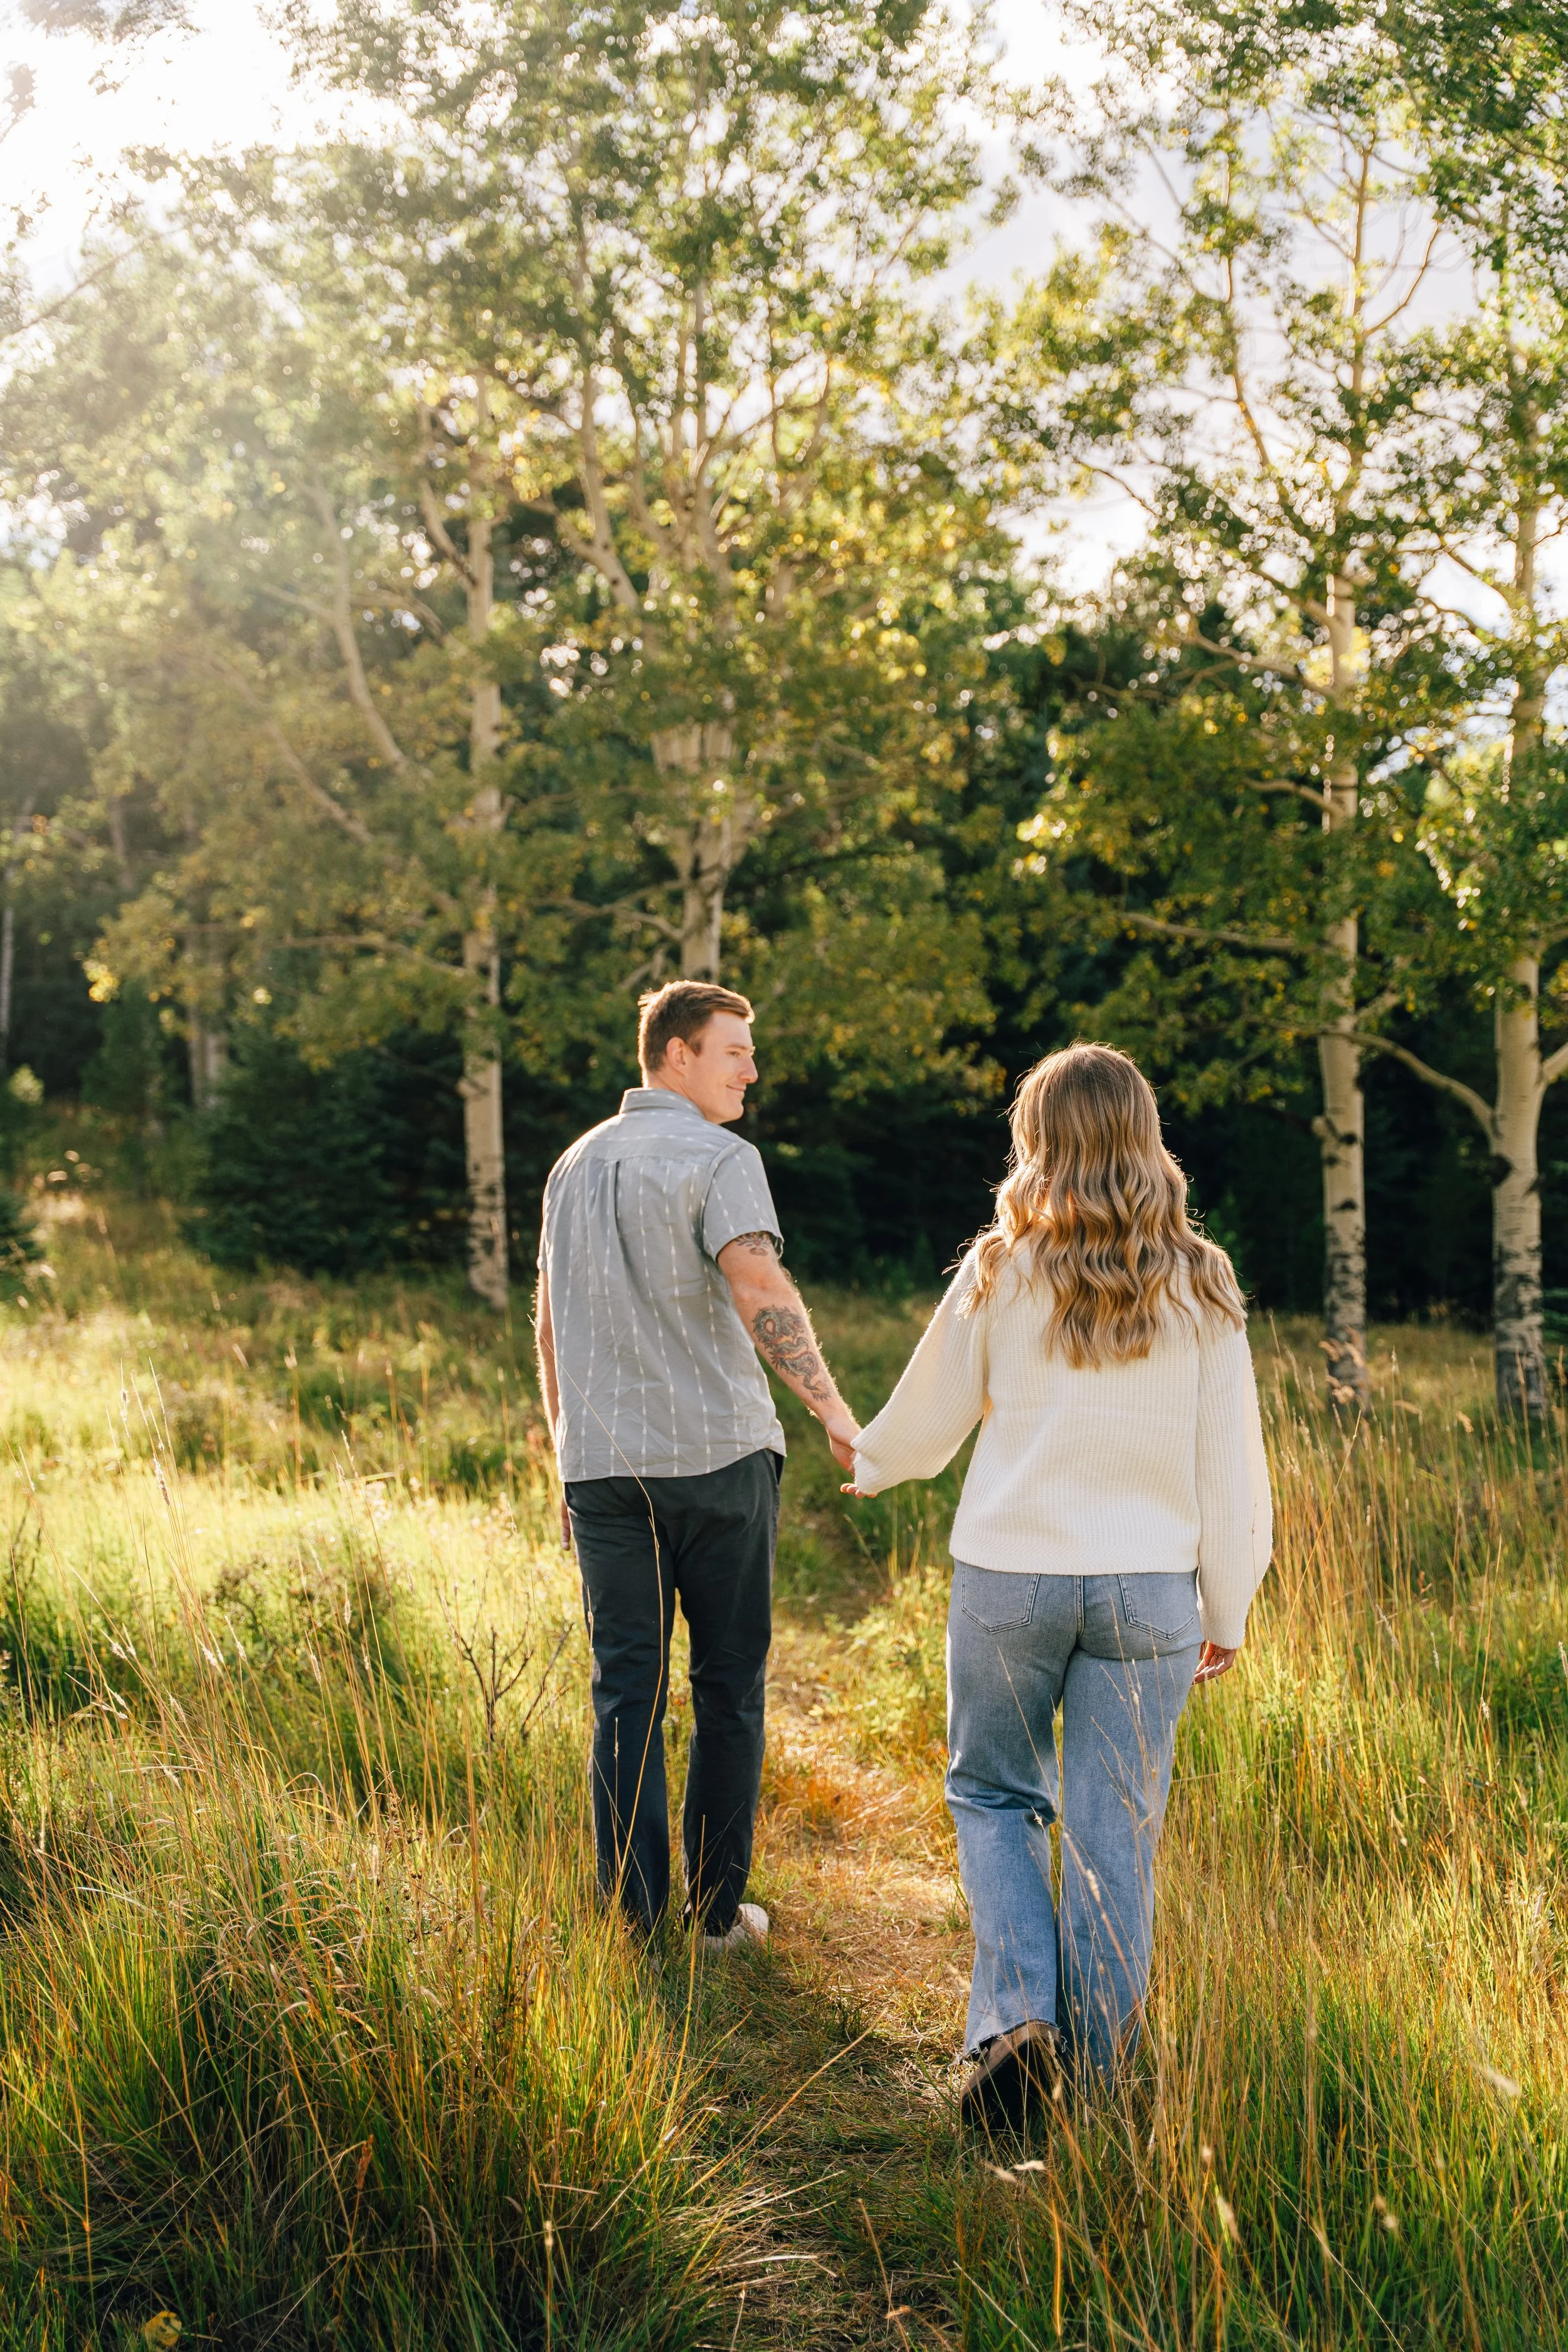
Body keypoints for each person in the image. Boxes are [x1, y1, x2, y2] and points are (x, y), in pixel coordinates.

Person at [847, 1043, 1271, 2124]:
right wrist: (1228, 1604)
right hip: (1147, 1595)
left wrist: (871, 1461)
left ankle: (1016, 2024)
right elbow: (1233, 1467)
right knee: (1114, 1832)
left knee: (994, 1791)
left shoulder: (1000, 1264)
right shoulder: (1204, 1279)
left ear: (1035, 1136)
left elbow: (927, 1418)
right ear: (1145, 1136)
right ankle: (1110, 2080)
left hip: (1010, 1578)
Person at [535, 979, 859, 1949]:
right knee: (728, 1684)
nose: (751, 1070)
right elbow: (759, 1281)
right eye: (734, 1051)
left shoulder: (571, 1163)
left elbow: (550, 1322)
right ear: (676, 1053)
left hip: (602, 1472)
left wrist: (566, 1456)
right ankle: (717, 1917)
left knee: (623, 1690)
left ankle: (632, 1925)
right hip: (718, 1461)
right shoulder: (724, 1157)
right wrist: (835, 1409)